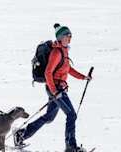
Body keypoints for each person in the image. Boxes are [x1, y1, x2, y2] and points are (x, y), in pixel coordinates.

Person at [15, 24, 89, 152]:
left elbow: (68, 69)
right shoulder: (56, 52)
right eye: (67, 36)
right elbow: (47, 73)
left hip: (58, 89)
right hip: (56, 89)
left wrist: (83, 77)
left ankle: (21, 135)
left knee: (49, 117)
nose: (70, 38)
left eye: (70, 36)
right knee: (71, 115)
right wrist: (55, 91)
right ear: (60, 37)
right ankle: (71, 147)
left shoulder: (64, 51)